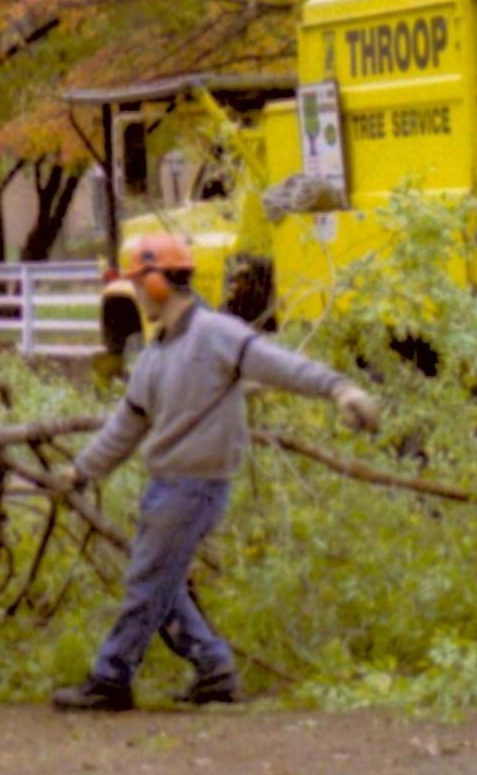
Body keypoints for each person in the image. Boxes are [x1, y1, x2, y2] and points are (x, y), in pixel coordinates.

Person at [53, 230, 380, 713]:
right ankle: (214, 669)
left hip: (195, 488)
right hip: (166, 485)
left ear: (161, 282)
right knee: (160, 583)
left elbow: (280, 365)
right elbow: (125, 428)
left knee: (147, 582)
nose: (138, 292)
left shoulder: (218, 335)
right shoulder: (154, 355)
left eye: (140, 281)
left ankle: (110, 679)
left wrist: (340, 390)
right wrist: (79, 472)